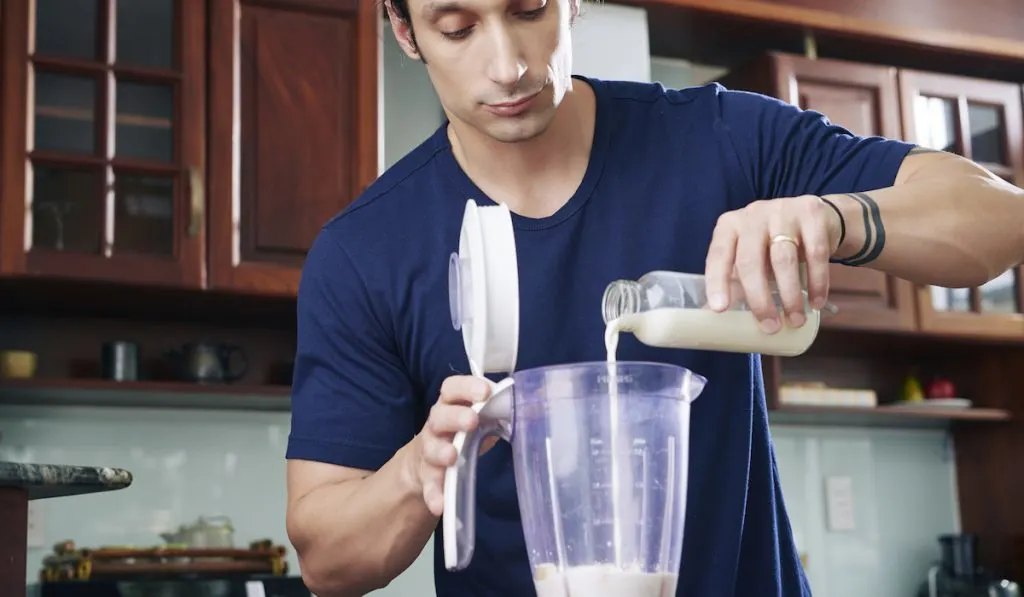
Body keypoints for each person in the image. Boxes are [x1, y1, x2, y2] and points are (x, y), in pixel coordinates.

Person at [282, 0, 1024, 591]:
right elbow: (327, 561)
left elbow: (1000, 217)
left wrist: (838, 216)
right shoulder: (365, 254)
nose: (506, 65)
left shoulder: (719, 138)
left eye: (530, 9)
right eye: (457, 27)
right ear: (405, 30)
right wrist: (421, 468)